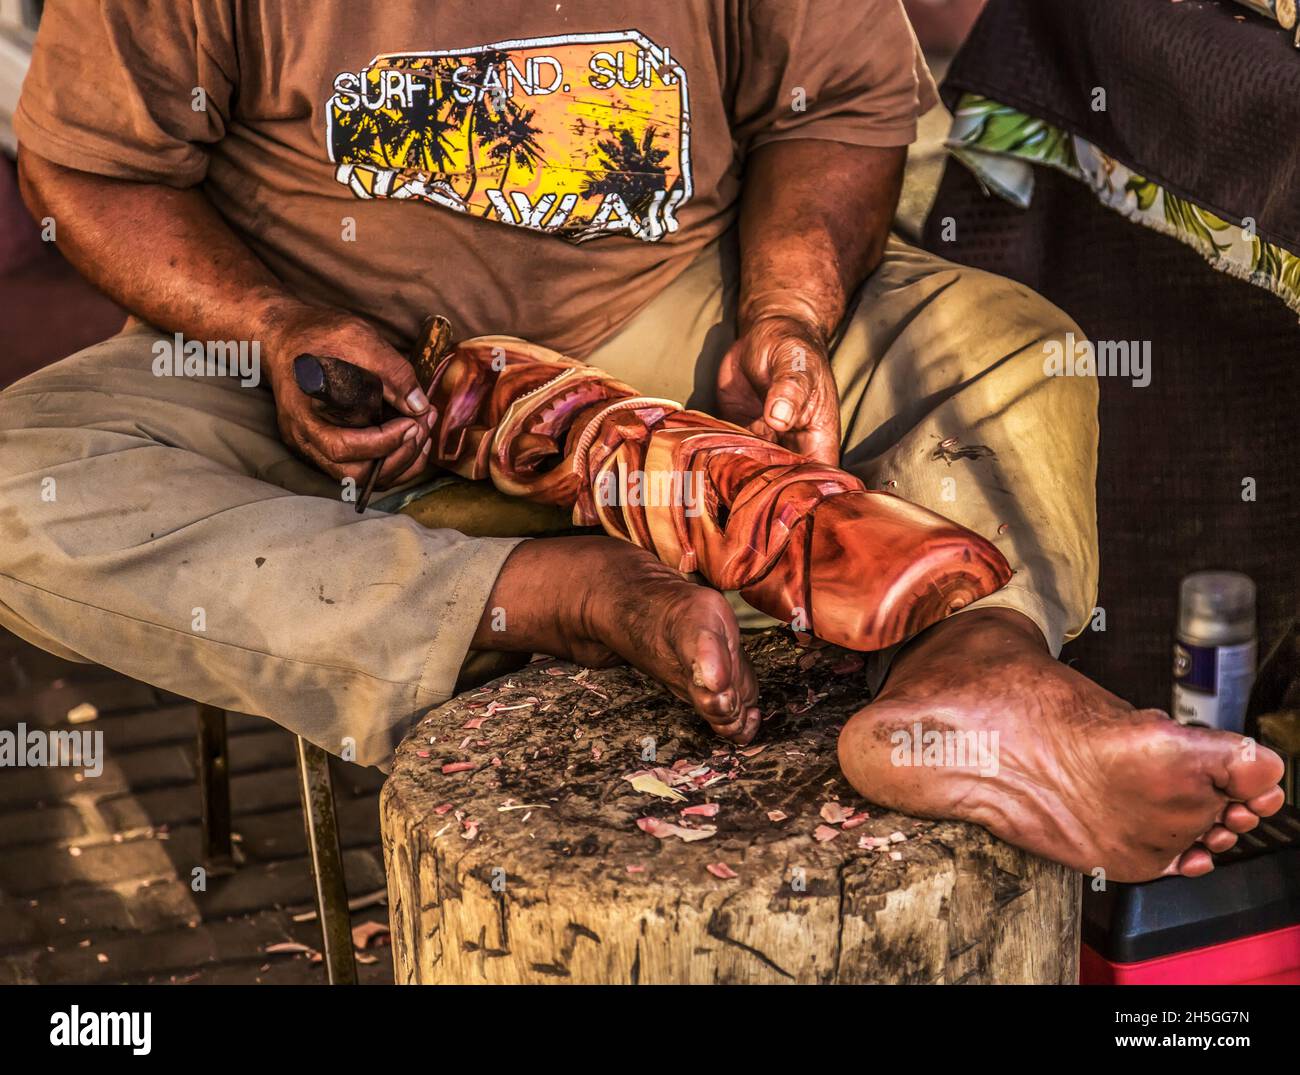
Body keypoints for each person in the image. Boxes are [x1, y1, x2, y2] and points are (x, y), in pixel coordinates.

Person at [1, 1, 1282, 883]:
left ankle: (974, 670)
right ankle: (553, 595)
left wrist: (786, 312)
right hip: (328, 374)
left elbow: (836, 106)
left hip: (672, 326)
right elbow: (88, 172)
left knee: (1010, 345)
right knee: (26, 481)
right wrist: (273, 323)